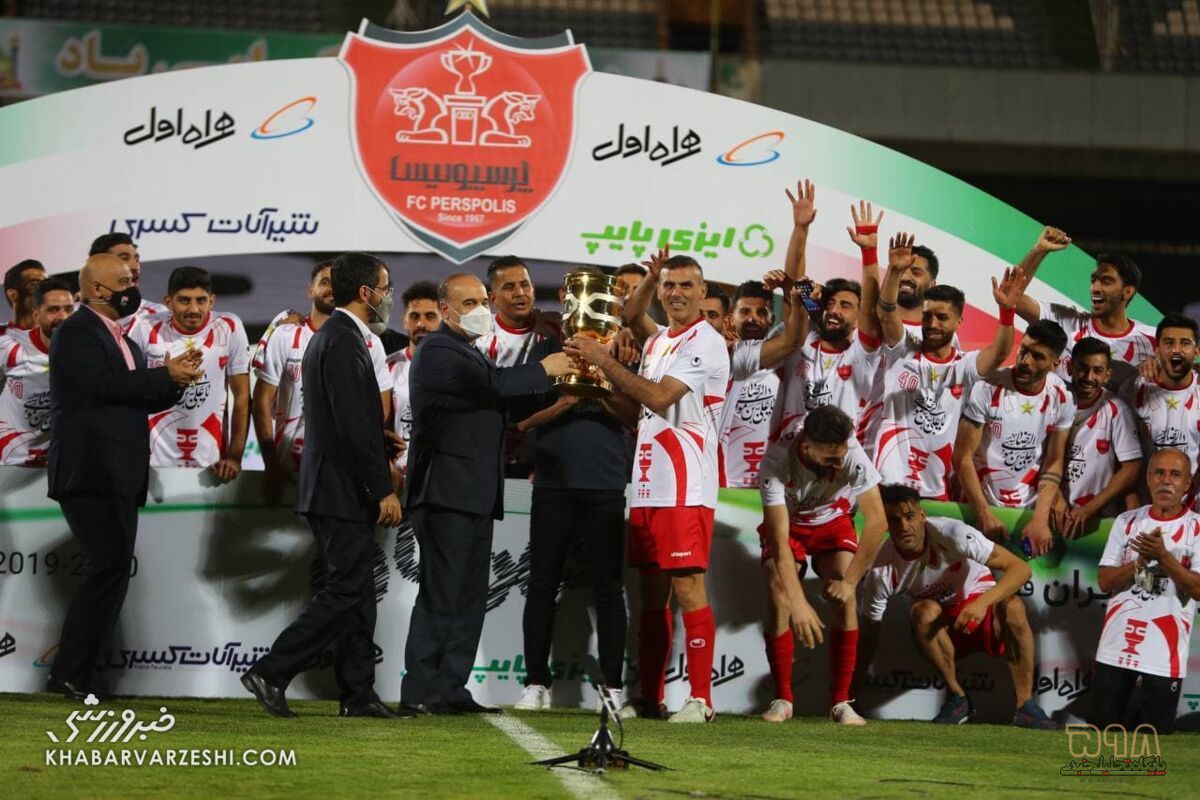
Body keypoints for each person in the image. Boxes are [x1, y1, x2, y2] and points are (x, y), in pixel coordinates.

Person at [568, 250, 730, 724]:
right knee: (651, 595)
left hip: (685, 484)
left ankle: (701, 700)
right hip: (647, 484)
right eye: (668, 285)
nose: (676, 293)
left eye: (686, 285)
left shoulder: (706, 341)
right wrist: (650, 276)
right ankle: (650, 697)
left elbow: (658, 397)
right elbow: (633, 317)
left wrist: (603, 360)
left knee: (688, 587)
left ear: (703, 292)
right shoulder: (659, 339)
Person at [399, 273, 572, 715]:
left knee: (469, 596)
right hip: (444, 493)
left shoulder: (471, 352)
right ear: (446, 310)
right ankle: (420, 690)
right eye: (469, 303)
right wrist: (545, 368)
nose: (480, 310)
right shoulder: (438, 349)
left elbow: (501, 400)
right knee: (442, 595)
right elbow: (496, 386)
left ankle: (450, 688)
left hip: (473, 494)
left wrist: (565, 385)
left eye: (481, 301)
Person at [243, 252, 404, 719]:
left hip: (336, 482)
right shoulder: (344, 340)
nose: (388, 297)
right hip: (339, 487)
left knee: (359, 591)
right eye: (385, 288)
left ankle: (358, 693)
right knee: (348, 588)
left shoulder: (337, 336)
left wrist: (380, 439)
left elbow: (344, 418)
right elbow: (352, 426)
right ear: (366, 293)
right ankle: (272, 671)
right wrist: (382, 488)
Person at [46, 254, 202, 701]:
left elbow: (136, 400)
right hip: (90, 470)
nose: (134, 286)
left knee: (111, 571)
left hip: (119, 472)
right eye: (126, 280)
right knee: (107, 569)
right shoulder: (76, 331)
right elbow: (104, 385)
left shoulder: (126, 342)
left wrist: (175, 382)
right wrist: (162, 374)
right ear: (97, 289)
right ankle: (70, 673)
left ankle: (81, 674)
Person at [512, 301, 640, 711]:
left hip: (605, 483)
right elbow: (522, 420)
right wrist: (565, 402)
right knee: (542, 585)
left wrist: (599, 384)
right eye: (577, 306)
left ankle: (612, 688)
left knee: (608, 589)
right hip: (553, 482)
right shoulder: (546, 350)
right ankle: (536, 683)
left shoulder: (623, 351)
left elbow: (636, 415)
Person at [855, 484, 1056, 729]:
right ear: (886, 525)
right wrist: (850, 693)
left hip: (980, 611)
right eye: (894, 520)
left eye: (909, 516)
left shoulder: (953, 533)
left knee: (1013, 608)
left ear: (922, 516)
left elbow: (1021, 569)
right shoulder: (881, 570)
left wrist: (981, 604)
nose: (904, 526)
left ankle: (1025, 707)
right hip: (943, 630)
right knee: (922, 611)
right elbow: (868, 635)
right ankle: (958, 698)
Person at [757, 405, 887, 725]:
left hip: (832, 521)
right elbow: (779, 543)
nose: (839, 465)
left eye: (841, 456)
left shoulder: (850, 452)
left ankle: (841, 702)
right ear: (806, 448)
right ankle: (783, 699)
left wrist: (849, 582)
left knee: (846, 597)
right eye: (830, 459)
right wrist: (799, 604)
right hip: (790, 526)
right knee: (779, 594)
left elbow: (877, 522)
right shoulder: (776, 461)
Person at [870, 233, 1024, 500]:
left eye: (942, 317)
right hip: (889, 481)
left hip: (937, 488)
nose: (932, 324)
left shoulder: (964, 365)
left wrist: (1007, 311)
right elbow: (885, 314)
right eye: (927, 316)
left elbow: (999, 353)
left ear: (959, 321)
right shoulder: (903, 350)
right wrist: (893, 272)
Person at [251, 261, 393, 504]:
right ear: (310, 290)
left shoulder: (371, 343)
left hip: (346, 470)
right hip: (288, 468)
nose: (331, 288)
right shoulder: (286, 335)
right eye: (325, 282)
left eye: (336, 283)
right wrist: (271, 462)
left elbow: (381, 408)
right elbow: (262, 399)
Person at [1092, 448, 1200, 734]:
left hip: (1164, 655)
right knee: (1103, 736)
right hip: (1116, 648)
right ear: (1149, 479)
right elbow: (1105, 581)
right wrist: (1139, 562)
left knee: (1153, 741)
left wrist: (1163, 556)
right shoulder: (1126, 522)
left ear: (1187, 484)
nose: (1166, 480)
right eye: (1159, 473)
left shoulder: (1197, 529)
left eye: (1175, 474)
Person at [953, 320, 1074, 556]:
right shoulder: (987, 387)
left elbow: (1053, 460)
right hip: (981, 507)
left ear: (1055, 363)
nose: (1026, 360)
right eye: (1024, 349)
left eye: (1037, 356)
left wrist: (1040, 518)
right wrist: (983, 513)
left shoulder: (1062, 397)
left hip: (1027, 512)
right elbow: (962, 457)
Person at [128, 266, 249, 481]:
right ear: (168, 302)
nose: (193, 309)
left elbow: (242, 397)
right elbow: (129, 390)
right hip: (153, 461)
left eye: (201, 300)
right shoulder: (145, 327)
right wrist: (163, 377)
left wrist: (235, 456)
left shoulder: (229, 326)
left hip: (213, 462)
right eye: (184, 300)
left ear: (212, 301)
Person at [1011, 231, 1156, 388]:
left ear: (1127, 292)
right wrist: (1039, 250)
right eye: (1094, 280)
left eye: (1106, 281)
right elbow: (1012, 297)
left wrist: (1161, 365)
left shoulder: (1153, 340)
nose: (1095, 288)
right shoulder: (1065, 322)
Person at [474, 255, 560, 477]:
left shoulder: (557, 326)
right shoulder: (481, 336)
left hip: (546, 451)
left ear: (533, 289)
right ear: (492, 298)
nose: (520, 293)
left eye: (524, 285)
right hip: (491, 448)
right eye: (509, 287)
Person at [1055, 337, 1143, 537]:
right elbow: (1041, 458)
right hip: (1053, 514)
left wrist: (1089, 509)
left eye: (1097, 371)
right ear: (1069, 367)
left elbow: (1131, 468)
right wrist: (1055, 497)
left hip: (1096, 521)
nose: (1089, 377)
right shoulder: (1055, 401)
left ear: (1107, 375)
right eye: (1083, 368)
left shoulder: (1117, 410)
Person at [1121, 313, 1200, 505]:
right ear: (1157, 350)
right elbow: (1117, 452)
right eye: (1169, 343)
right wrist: (1131, 498)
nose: (1176, 350)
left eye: (1185, 343)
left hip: (1194, 507)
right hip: (1142, 505)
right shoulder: (1134, 389)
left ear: (1196, 350)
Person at [0, 277, 73, 466]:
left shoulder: (86, 353)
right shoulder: (10, 348)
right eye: (53, 310)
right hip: (11, 461)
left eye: (68, 309)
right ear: (36, 315)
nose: (63, 317)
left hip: (58, 462)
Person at [386, 280, 441, 488]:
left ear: (443, 319)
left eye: (430, 316)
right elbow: (375, 427)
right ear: (404, 321)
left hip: (443, 479)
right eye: (414, 316)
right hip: (399, 480)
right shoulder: (388, 367)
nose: (421, 324)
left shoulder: (459, 366)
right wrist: (387, 467)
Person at [87, 233, 169, 328]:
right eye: (124, 259)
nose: (135, 267)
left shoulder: (157, 316)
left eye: (136, 259)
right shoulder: (75, 314)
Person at [2, 259, 47, 332]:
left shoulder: (59, 334)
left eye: (47, 284)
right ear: (13, 295)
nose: (46, 291)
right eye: (35, 285)